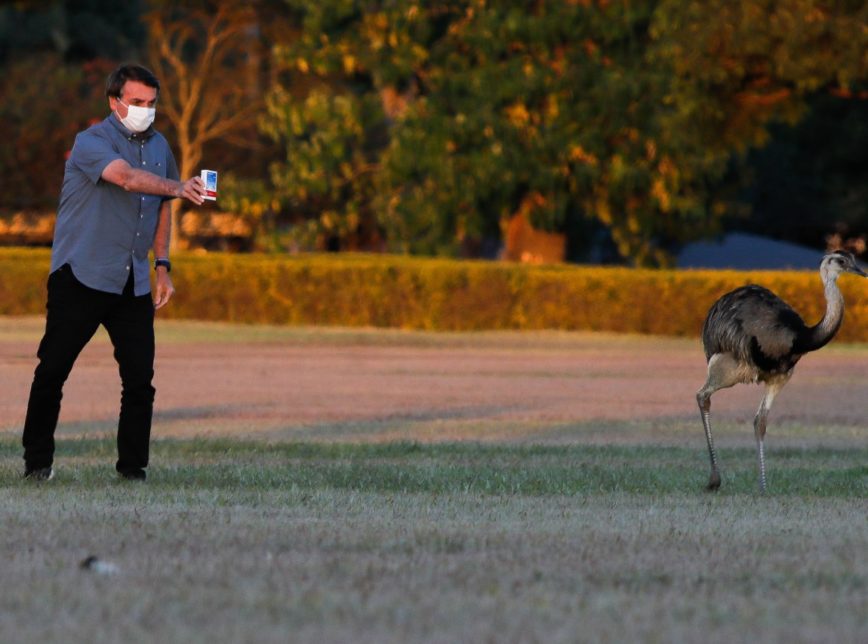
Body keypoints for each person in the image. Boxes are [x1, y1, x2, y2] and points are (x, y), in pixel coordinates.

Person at [21, 63, 206, 481]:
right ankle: (37, 463)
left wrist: (162, 265)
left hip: (132, 281)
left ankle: (132, 470)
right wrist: (178, 186)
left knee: (140, 380)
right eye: (137, 102)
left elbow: (161, 210)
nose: (145, 110)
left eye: (152, 103)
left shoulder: (160, 148)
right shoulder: (91, 142)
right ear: (114, 101)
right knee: (52, 371)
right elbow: (124, 179)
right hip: (81, 275)